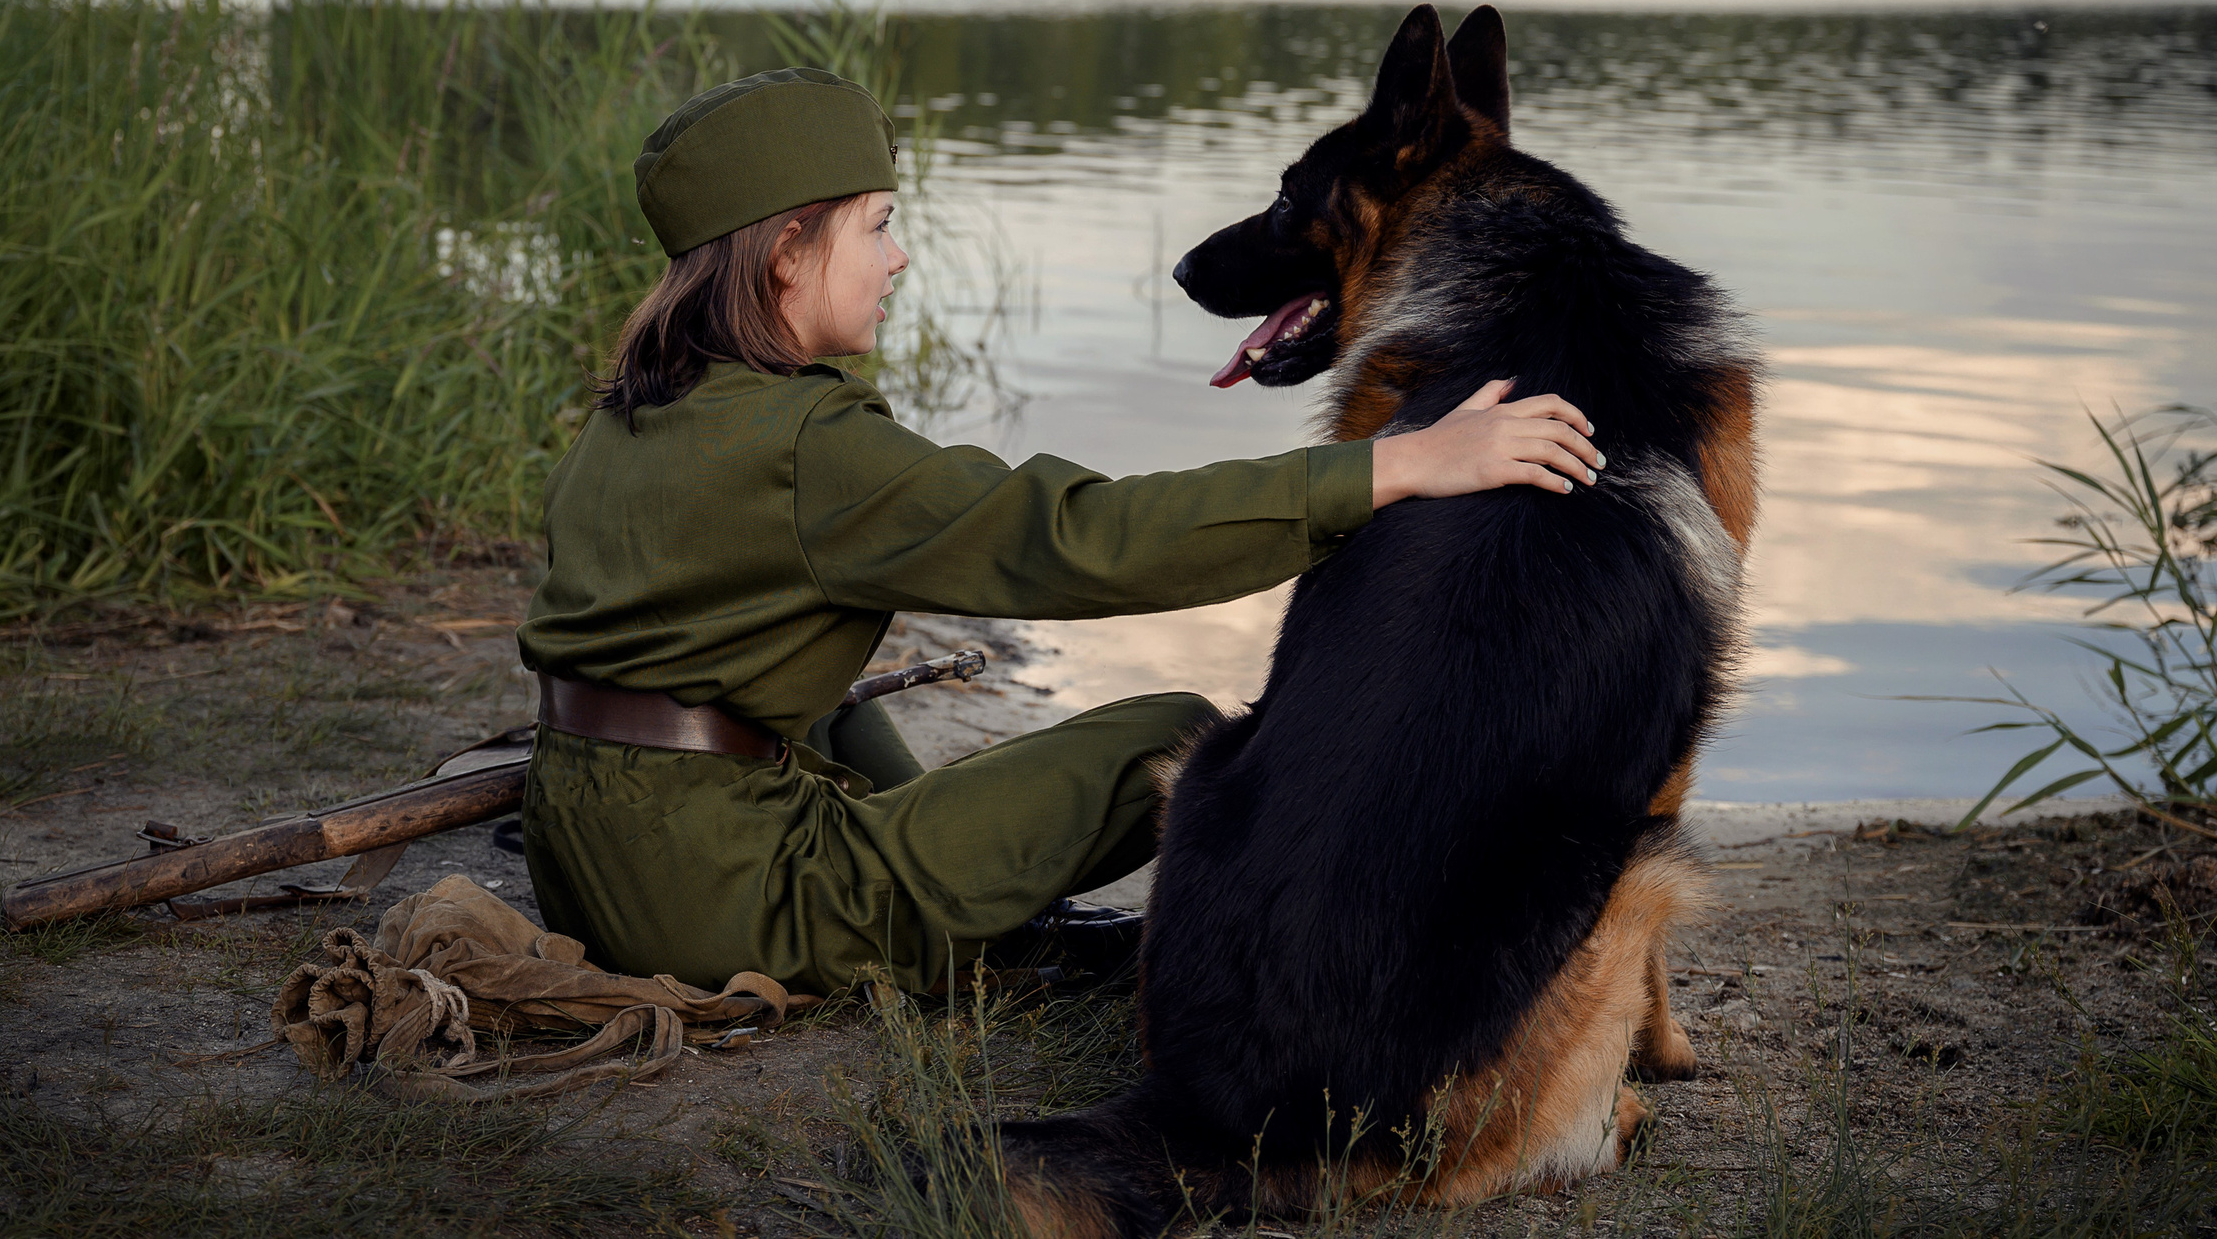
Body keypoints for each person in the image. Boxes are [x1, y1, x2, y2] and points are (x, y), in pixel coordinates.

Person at [513, 68, 1602, 996]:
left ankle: (967, 906)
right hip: (719, 904)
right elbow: (1084, 538)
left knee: (832, 714)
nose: (897, 259)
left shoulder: (637, 409)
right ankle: (1010, 936)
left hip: (594, 854)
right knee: (1171, 733)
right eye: (878, 226)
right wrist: (1396, 464)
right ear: (787, 253)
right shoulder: (808, 446)